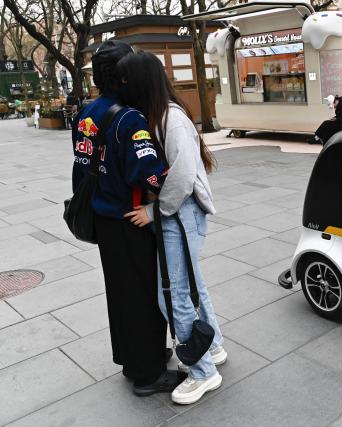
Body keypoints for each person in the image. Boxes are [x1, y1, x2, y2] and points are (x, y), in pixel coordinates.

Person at [71, 41, 184, 396]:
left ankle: (133, 356)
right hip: (131, 219)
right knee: (141, 295)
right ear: (123, 75)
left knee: (120, 294)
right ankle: (147, 373)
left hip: (103, 217)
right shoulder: (129, 118)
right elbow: (150, 175)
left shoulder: (86, 113)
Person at [118, 52, 227, 405]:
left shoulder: (170, 119)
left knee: (173, 296)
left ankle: (202, 373)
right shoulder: (163, 113)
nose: (121, 87)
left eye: (124, 81)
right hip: (181, 213)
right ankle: (213, 346)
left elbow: (180, 176)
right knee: (193, 287)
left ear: (137, 83)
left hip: (179, 214)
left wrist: (155, 211)